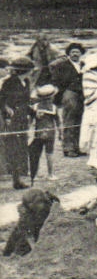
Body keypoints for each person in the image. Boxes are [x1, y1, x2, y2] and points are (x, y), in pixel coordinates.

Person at [3, 58, 35, 189]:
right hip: (11, 120)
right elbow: (2, 100)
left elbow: (26, 101)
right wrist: (6, 113)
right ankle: (15, 178)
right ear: (25, 71)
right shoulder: (9, 83)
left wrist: (32, 112)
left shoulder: (26, 82)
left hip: (22, 118)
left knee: (21, 148)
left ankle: (18, 179)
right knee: (12, 149)